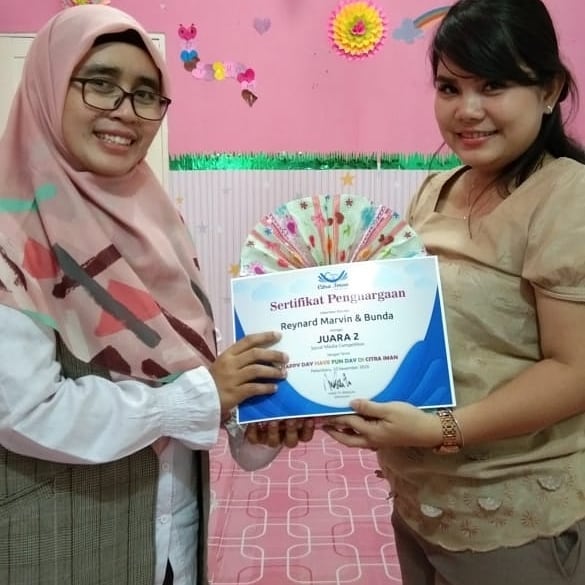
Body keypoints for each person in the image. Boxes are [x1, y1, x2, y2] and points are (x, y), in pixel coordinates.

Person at [0, 5, 313, 585]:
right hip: (64, 547)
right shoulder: (11, 234)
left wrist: (255, 422)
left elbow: (191, 372)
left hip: (173, 542)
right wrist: (201, 397)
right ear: (47, 86)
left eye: (146, 93)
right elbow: (24, 411)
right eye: (100, 83)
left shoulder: (156, 222)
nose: (126, 110)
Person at [323, 0, 585, 583]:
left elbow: (575, 371)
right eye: (449, 87)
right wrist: (334, 386)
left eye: (494, 85)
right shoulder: (436, 189)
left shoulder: (568, 196)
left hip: (515, 516)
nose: (467, 110)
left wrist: (442, 430)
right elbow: (413, 329)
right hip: (422, 500)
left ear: (549, 90)